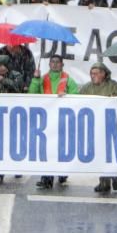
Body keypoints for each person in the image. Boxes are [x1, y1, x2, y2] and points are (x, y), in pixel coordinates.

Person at [30, 55, 80, 189]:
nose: (55, 64)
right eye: (53, 62)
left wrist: (67, 96)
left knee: (61, 149)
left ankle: (62, 173)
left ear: (62, 65)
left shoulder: (68, 80)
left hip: (63, 120)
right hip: (47, 120)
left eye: (58, 62)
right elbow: (32, 95)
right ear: (49, 64)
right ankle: (47, 178)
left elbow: (77, 96)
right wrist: (35, 79)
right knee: (48, 149)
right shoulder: (41, 78)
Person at [80, 63, 117, 192]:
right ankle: (104, 181)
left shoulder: (113, 85)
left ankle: (115, 175)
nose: (93, 76)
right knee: (100, 153)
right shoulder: (87, 88)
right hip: (95, 125)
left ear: (104, 74)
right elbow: (77, 100)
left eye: (96, 73)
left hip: (111, 124)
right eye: (92, 73)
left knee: (110, 153)